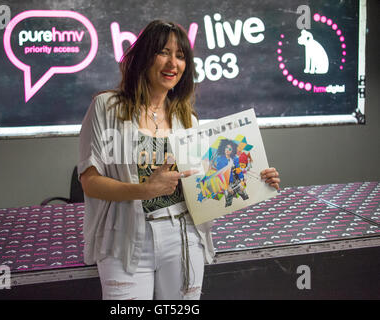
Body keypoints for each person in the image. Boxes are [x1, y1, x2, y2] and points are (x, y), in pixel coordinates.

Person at [78, 20, 281, 300]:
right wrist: (144, 190)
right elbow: (89, 182)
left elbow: (208, 185)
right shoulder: (107, 108)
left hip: (184, 237)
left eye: (181, 56)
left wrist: (255, 177)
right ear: (144, 56)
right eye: (163, 52)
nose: (172, 62)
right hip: (124, 240)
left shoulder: (188, 120)